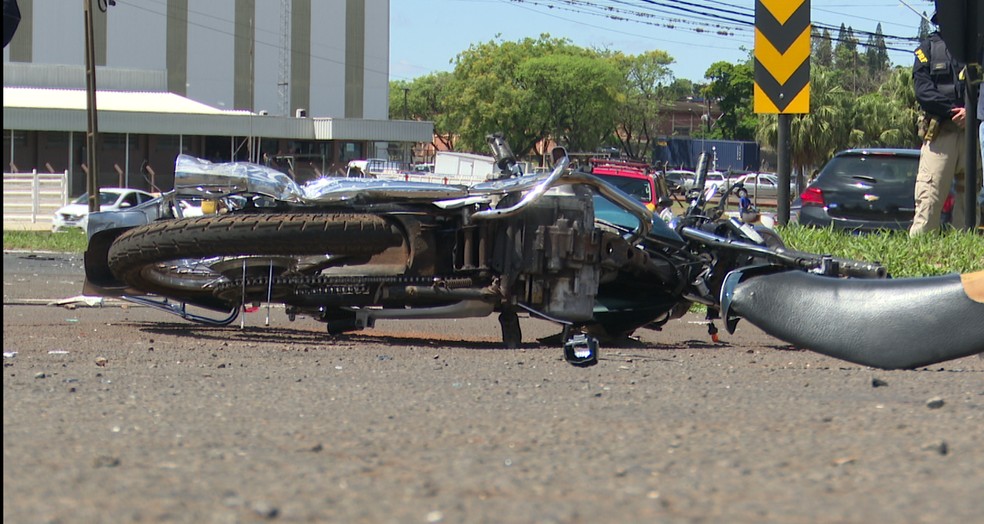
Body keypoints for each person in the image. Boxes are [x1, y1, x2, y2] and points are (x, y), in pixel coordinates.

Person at [909, 14, 979, 236]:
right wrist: (952, 112)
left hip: (971, 135)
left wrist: (971, 112)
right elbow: (923, 91)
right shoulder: (927, 49)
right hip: (941, 135)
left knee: (970, 205)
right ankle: (920, 260)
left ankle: (967, 261)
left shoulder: (977, 50)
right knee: (929, 200)